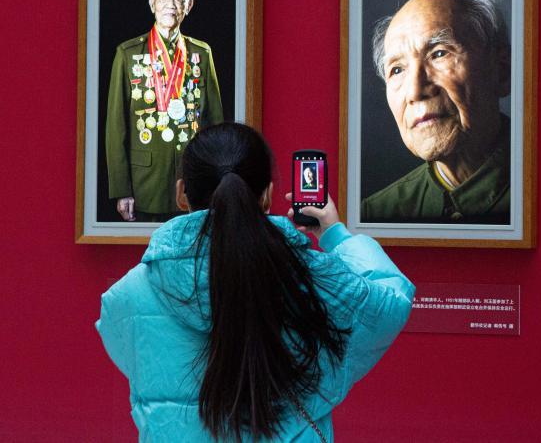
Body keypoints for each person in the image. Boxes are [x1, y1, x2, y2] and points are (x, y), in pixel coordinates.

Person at [97, 123, 414, 441]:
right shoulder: (311, 278)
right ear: (267, 195)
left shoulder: (126, 297)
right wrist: (335, 233)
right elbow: (389, 302)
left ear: (181, 194)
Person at [361, 0, 511, 224]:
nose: (415, 91)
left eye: (439, 53)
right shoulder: (374, 213)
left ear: (501, 71)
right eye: (397, 70)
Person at [106, 0, 224, 222]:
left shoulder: (201, 54)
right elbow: (116, 128)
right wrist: (121, 189)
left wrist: (216, 184)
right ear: (152, 3)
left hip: (194, 183)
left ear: (189, 5)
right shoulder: (128, 54)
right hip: (145, 184)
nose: (170, 5)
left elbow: (216, 125)